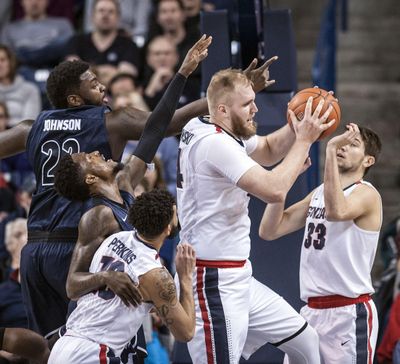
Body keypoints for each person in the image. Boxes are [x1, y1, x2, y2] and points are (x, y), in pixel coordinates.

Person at [0, 33, 213, 338]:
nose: (101, 85)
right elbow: (163, 124)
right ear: (75, 98)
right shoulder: (110, 121)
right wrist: (215, 98)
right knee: (101, 336)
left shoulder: (31, 127)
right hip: (78, 244)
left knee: (46, 348)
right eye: (92, 83)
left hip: (34, 250)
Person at [176, 67, 335, 363]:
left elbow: (269, 148)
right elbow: (274, 189)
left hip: (238, 275)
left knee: (305, 342)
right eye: (247, 103)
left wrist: (296, 123)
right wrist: (304, 140)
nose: (256, 108)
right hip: (211, 280)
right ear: (222, 109)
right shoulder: (215, 144)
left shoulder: (205, 124)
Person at [259, 124, 382, 363]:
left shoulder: (367, 194)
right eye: (343, 142)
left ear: (368, 161)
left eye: (353, 144)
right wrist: (283, 184)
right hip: (312, 311)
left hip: (348, 313)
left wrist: (330, 150)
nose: (343, 147)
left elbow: (337, 211)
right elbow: (269, 230)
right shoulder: (319, 193)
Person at [48, 189, 196, 364]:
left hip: (66, 343)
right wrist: (185, 277)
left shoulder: (114, 239)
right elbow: (186, 333)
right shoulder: (156, 275)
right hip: (93, 352)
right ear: (167, 228)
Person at [66, 0, 141, 85]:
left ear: (118, 17)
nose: (105, 15)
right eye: (101, 11)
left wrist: (90, 70)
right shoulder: (76, 41)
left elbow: (126, 79)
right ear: (92, 16)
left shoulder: (129, 45)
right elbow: (72, 74)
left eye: (111, 12)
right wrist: (112, 72)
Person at [0, 45, 41, 127]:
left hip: (20, 137)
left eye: (2, 60)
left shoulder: (30, 89)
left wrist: (5, 122)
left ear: (11, 62)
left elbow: (29, 124)